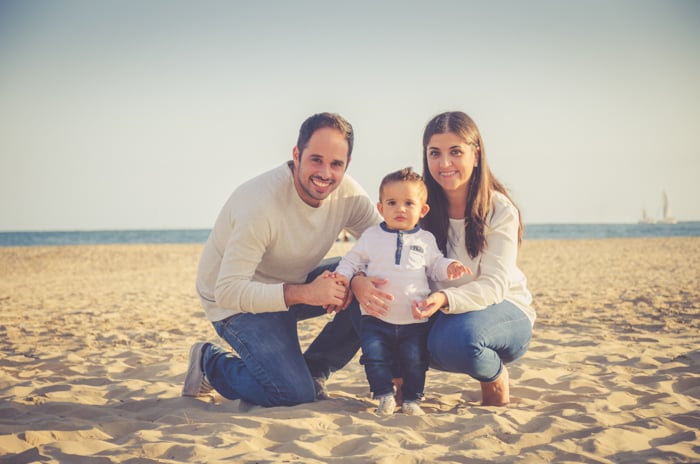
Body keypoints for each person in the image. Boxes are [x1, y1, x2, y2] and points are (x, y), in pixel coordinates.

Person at [182, 112, 381, 407]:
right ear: (296, 155)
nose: (325, 173)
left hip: (292, 283)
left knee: (370, 280)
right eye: (316, 159)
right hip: (234, 303)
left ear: (346, 165)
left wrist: (360, 280)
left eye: (336, 164)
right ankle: (210, 363)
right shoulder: (259, 204)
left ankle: (315, 370)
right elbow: (228, 290)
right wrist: (307, 294)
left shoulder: (349, 195)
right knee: (291, 395)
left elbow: (387, 243)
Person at [351, 111, 536, 406]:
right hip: (439, 309)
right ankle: (393, 385)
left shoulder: (499, 210)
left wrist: (445, 300)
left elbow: (494, 286)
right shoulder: (416, 206)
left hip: (501, 310)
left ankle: (495, 378)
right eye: (435, 153)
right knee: (370, 296)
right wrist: (358, 283)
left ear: (475, 155)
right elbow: (379, 254)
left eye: (455, 152)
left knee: (453, 343)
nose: (444, 163)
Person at [335, 167, 469, 416]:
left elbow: (436, 265)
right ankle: (384, 396)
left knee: (415, 362)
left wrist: (449, 267)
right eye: (392, 202)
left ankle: (412, 400)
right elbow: (352, 260)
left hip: (414, 318)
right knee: (374, 359)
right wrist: (342, 277)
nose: (400, 209)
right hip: (376, 317)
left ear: (423, 210)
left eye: (409, 203)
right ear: (380, 207)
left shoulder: (425, 239)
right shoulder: (371, 236)